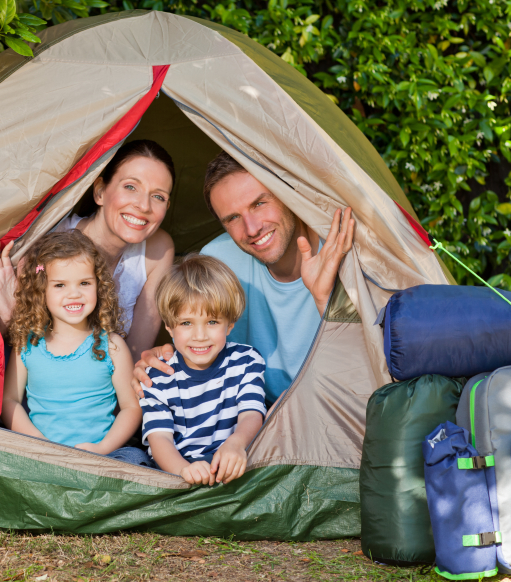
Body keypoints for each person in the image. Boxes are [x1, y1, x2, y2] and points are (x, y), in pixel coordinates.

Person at [134, 151, 355, 406]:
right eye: (233, 218)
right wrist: (167, 359)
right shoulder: (218, 262)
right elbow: (203, 350)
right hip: (254, 413)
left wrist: (326, 299)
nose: (252, 228)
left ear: (288, 195)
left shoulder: (341, 247)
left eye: (259, 204)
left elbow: (371, 369)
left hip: (337, 406)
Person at [0, 140, 176, 358]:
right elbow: (13, 345)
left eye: (158, 196)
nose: (144, 206)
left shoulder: (159, 249)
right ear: (100, 192)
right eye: (130, 187)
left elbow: (137, 352)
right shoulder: (51, 240)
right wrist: (9, 315)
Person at [0, 231, 148, 465]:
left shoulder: (111, 345)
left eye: (84, 283)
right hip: (41, 455)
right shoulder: (28, 345)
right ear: (41, 289)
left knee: (136, 458)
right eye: (60, 285)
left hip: (103, 456)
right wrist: (37, 442)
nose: (74, 293)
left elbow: (131, 407)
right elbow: (10, 401)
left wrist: (102, 448)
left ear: (98, 285)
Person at [141, 254, 267, 485]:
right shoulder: (158, 377)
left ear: (230, 325)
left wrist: (236, 444)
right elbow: (160, 439)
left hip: (232, 458)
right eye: (186, 323)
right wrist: (184, 469)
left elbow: (252, 413)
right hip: (179, 467)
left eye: (212, 322)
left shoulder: (246, 360)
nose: (200, 336)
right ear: (169, 327)